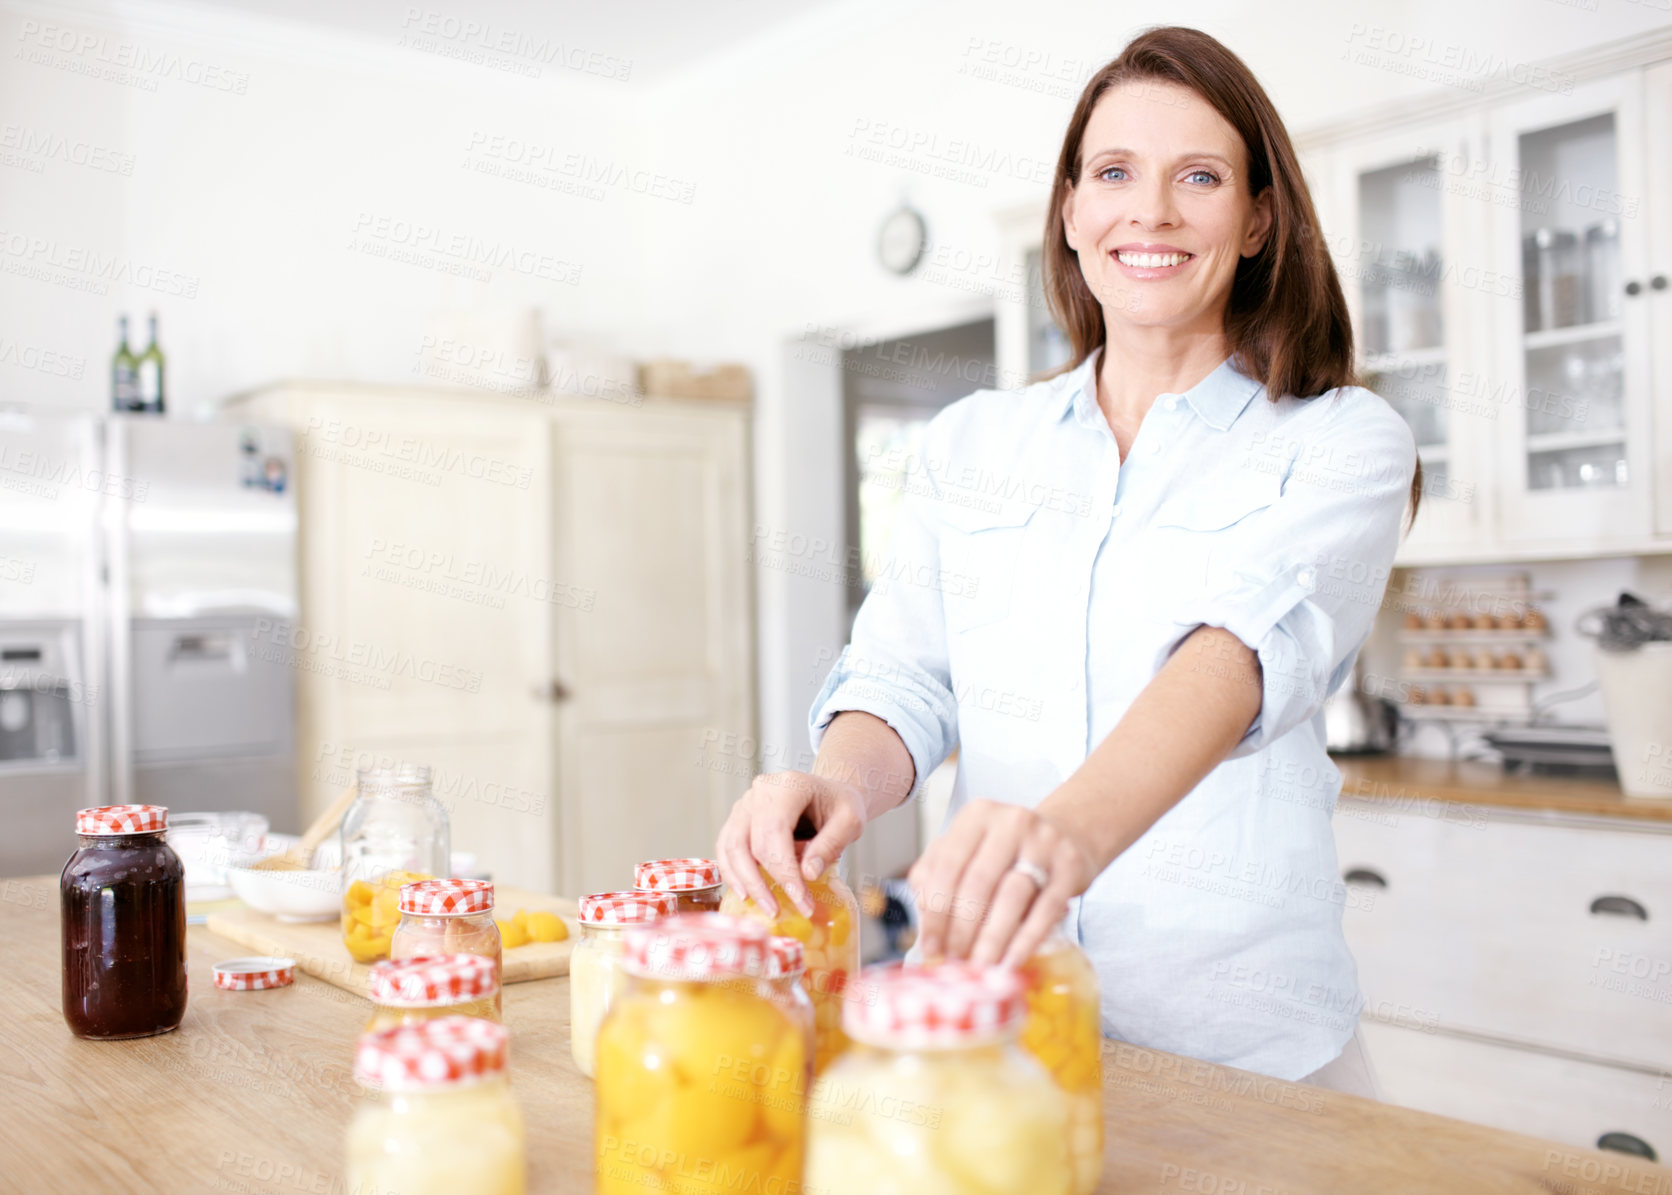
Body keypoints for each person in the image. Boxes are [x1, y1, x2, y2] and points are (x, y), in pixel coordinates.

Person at [715, 25, 1417, 1097]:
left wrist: (1061, 838)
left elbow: (1233, 659)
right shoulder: (970, 444)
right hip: (997, 1023)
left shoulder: (1337, 440)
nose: (1152, 211)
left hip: (1241, 1047)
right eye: (1114, 173)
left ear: (1258, 218)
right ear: (1071, 210)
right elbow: (903, 677)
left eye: (1199, 176)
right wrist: (835, 783)